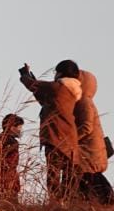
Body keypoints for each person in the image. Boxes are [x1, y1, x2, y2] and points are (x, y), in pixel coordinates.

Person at [20, 60, 82, 203]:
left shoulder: (58, 87)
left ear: (60, 73)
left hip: (55, 137)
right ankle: (66, 204)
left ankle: (54, 204)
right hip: (69, 139)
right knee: (67, 177)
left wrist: (24, 75)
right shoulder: (72, 91)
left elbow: (34, 86)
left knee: (53, 174)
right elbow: (44, 98)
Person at [74, 70, 114, 205]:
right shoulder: (83, 102)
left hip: (88, 155)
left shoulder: (83, 102)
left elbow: (86, 127)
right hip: (91, 154)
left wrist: (69, 141)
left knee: (90, 185)